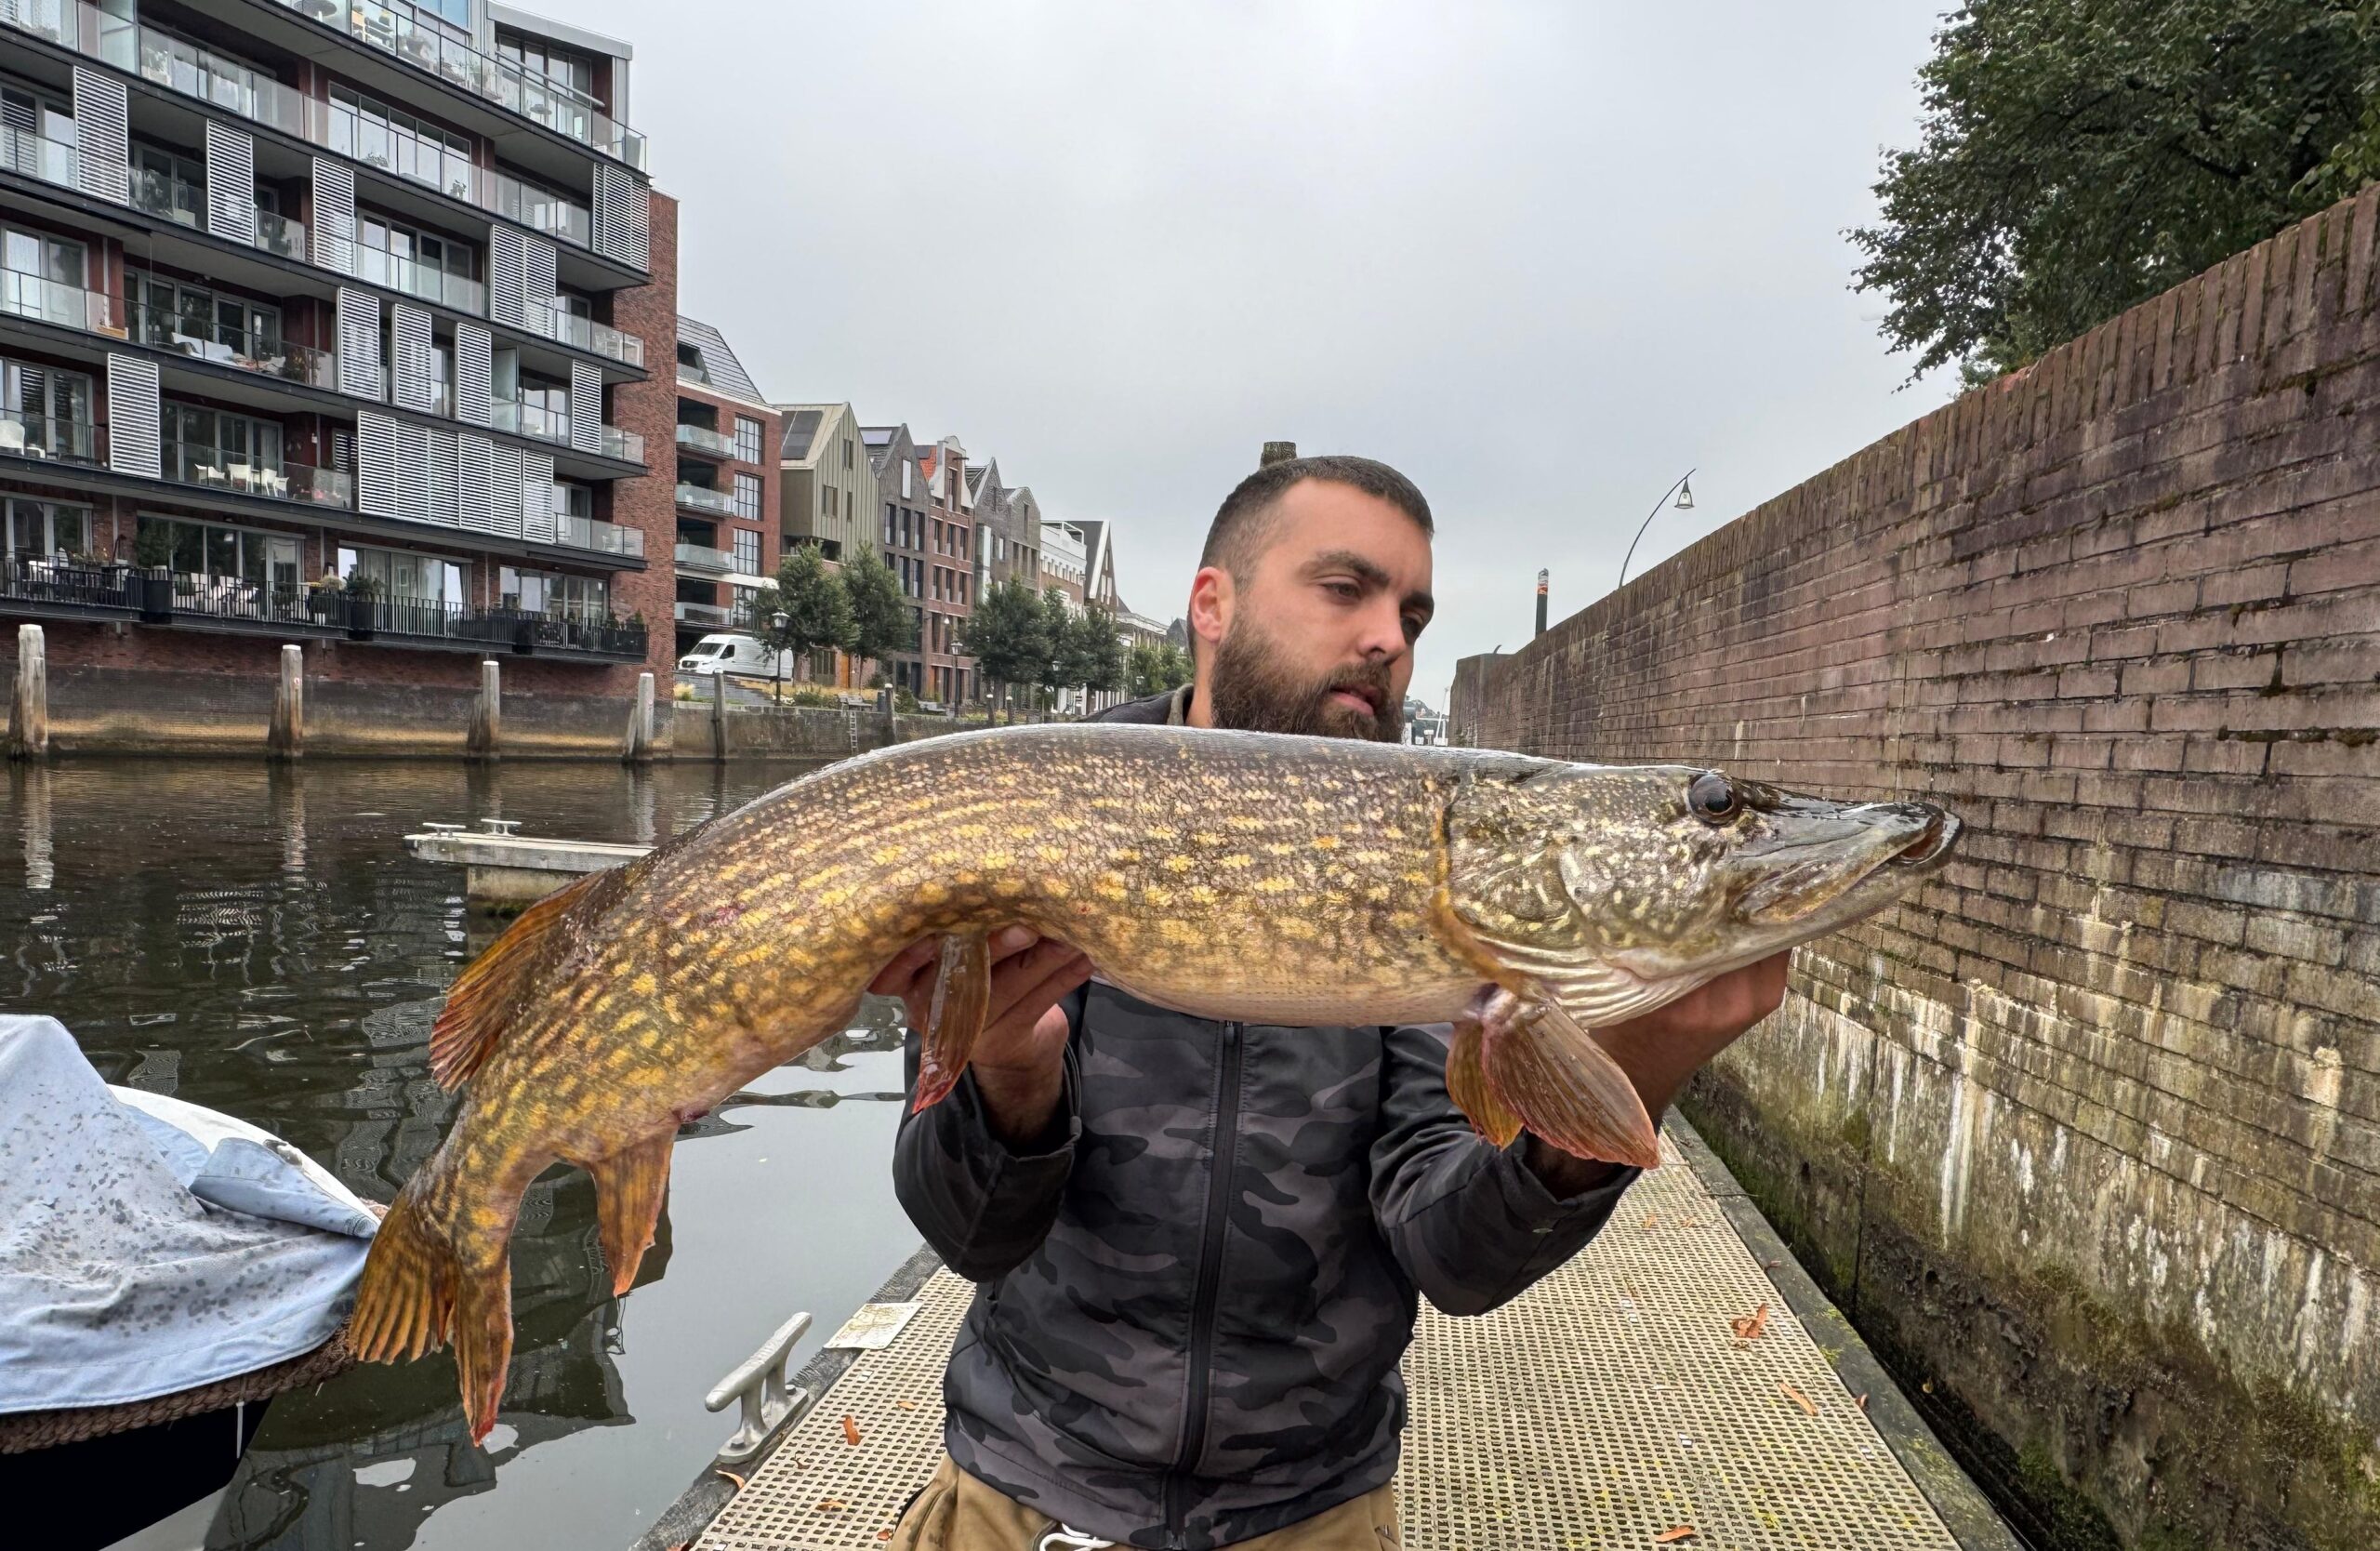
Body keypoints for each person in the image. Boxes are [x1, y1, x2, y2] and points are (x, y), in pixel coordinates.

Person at [874, 456, 1789, 1550]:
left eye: (1411, 612)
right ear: (1211, 605)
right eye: (1345, 589)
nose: (1390, 639)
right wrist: (1007, 1079)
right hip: (1017, 1494)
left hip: (1311, 1514)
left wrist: (1634, 1071)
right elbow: (966, 1235)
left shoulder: (1433, 893)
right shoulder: (1037, 807)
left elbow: (1456, 1257)